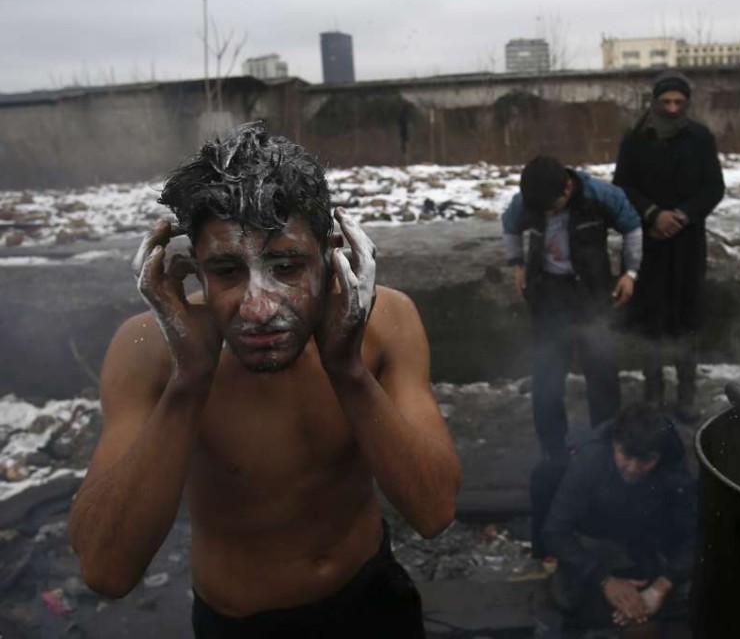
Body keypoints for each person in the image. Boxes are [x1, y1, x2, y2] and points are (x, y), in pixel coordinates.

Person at [67, 122, 461, 638]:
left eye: (286, 266)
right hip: (241, 624)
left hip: (371, 597)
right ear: (191, 268)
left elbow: (434, 512)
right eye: (228, 271)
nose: (257, 308)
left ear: (332, 253)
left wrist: (348, 370)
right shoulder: (149, 352)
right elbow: (105, 568)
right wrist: (189, 379)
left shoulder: (386, 323)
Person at [502, 155, 642, 566]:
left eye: (550, 206)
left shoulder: (600, 196)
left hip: (591, 293)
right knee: (546, 381)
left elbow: (633, 226)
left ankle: (606, 448)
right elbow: (509, 225)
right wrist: (514, 266)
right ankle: (554, 455)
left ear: (566, 189)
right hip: (548, 295)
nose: (544, 213)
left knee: (603, 374)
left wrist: (631, 273)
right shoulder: (528, 200)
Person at [613, 70, 725, 423]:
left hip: (688, 241)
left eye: (679, 102)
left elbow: (713, 187)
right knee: (650, 316)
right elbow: (623, 186)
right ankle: (653, 392)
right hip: (647, 240)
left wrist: (682, 215)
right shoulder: (635, 138)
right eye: (666, 102)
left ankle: (687, 393)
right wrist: (652, 214)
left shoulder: (701, 138)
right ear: (655, 102)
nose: (673, 108)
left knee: (686, 315)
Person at [541, 403, 697, 631]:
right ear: (615, 444)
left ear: (659, 457)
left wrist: (661, 586)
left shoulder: (675, 470)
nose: (633, 468)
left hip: (648, 541)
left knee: (669, 605)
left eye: (645, 460)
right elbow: (555, 530)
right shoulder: (590, 460)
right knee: (573, 602)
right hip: (596, 539)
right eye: (627, 456)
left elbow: (699, 534)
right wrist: (605, 581)